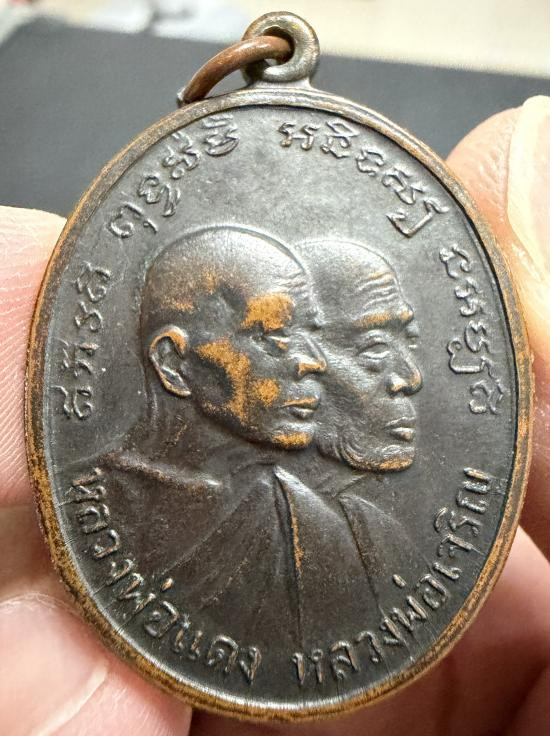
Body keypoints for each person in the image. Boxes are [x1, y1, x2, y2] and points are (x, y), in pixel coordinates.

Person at [2, 99, 550, 734]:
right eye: (274, 336)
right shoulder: (96, 501)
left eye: (310, 334)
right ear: (175, 364)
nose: (311, 362)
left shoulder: (333, 539)